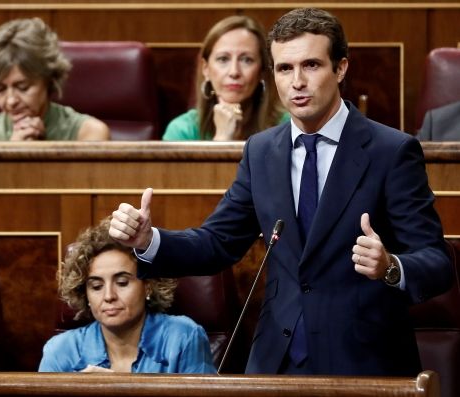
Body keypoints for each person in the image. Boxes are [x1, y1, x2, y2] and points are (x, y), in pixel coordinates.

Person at [109, 8, 452, 376]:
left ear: (340, 68)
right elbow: (217, 242)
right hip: (277, 361)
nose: (297, 82)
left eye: (311, 65)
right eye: (284, 69)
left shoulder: (391, 151)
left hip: (364, 362)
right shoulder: (260, 151)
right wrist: (149, 240)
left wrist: (390, 267)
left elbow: (437, 263)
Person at [38, 217, 215, 373]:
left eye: (122, 283)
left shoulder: (183, 338)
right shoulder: (60, 351)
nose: (109, 296)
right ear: (85, 294)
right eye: (96, 286)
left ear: (148, 285)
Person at [0, 18, 109, 141]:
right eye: (0, 89)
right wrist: (11, 154)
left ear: (48, 80)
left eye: (22, 87)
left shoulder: (89, 134)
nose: (10, 101)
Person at [162, 15, 287, 141]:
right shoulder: (182, 130)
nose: (234, 72)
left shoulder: (289, 127)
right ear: (206, 68)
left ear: (262, 71)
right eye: (223, 59)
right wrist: (223, 137)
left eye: (246, 60)